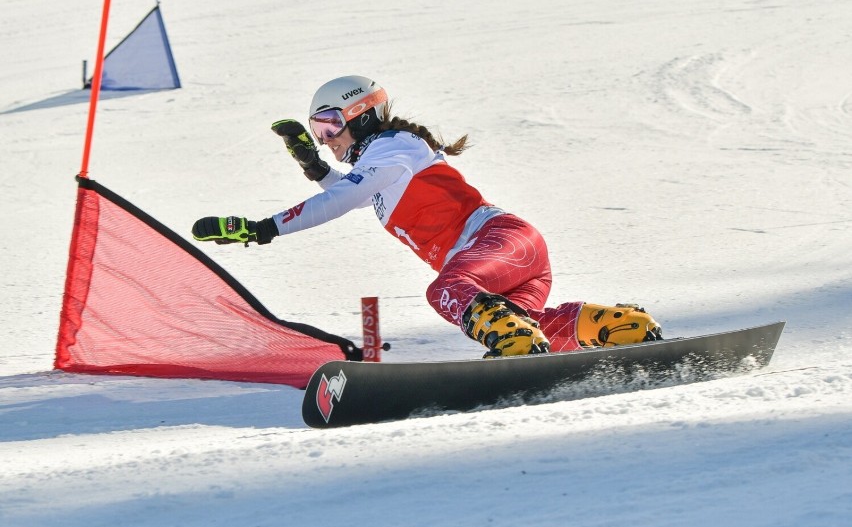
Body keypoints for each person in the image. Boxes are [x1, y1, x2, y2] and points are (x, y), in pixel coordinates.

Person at [192, 75, 662, 357]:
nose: (325, 137)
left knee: (446, 291)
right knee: (527, 323)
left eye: (330, 125)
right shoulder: (387, 161)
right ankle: (620, 326)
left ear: (361, 115)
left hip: (497, 245)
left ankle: (518, 346)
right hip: (509, 259)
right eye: (317, 130)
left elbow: (343, 199)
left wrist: (263, 229)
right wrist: (313, 166)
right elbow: (349, 191)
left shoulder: (393, 149)